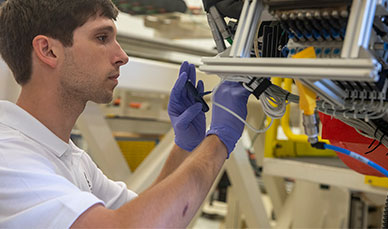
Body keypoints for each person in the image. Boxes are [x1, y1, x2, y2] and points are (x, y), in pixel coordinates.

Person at [0, 0, 251, 227]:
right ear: (48, 50)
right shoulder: (9, 160)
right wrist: (219, 140)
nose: (122, 56)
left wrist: (185, 148)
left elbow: (147, 215)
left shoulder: (72, 158)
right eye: (101, 37)